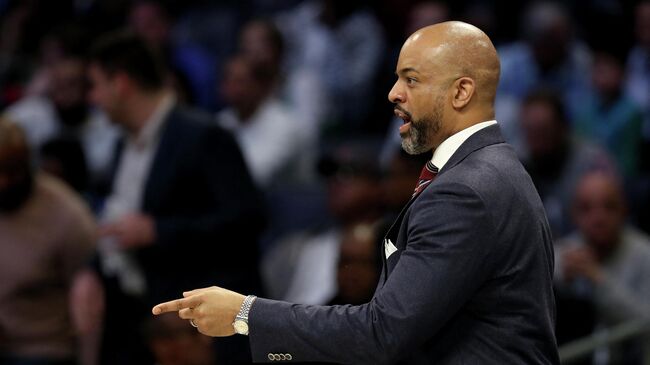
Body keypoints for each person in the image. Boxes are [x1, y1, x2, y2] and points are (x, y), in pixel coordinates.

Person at [153, 21, 559, 364]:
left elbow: (383, 333)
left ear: (461, 92)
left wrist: (246, 314)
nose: (394, 93)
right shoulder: (494, 169)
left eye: (412, 79)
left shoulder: (466, 190)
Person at [84, 32, 265, 364]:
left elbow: (246, 220)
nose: (92, 98)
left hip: (195, 322)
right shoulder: (122, 144)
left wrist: (158, 231)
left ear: (120, 84)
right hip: (138, 313)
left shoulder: (204, 135)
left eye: (95, 85)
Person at [0, 118, 96, 365]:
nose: (3, 183)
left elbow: (89, 302)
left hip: (41, 347)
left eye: (11, 171)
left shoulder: (68, 216)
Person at [554, 171, 650, 364]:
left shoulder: (645, 254)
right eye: (586, 208)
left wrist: (599, 280)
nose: (598, 218)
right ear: (574, 214)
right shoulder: (563, 256)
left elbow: (646, 322)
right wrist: (558, 280)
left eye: (609, 207)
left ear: (624, 209)